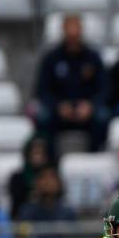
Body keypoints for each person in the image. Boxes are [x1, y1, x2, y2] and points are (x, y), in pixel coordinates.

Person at [33, 14, 108, 154]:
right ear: (63, 29)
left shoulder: (93, 57)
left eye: (76, 28)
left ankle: (95, 156)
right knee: (43, 117)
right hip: (60, 110)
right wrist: (57, 106)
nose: (73, 32)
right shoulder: (51, 58)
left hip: (86, 110)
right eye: (69, 28)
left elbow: (104, 88)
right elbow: (41, 89)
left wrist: (90, 105)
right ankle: (50, 161)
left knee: (102, 116)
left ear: (81, 29)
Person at [8, 134, 56, 220]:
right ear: (28, 155)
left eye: (41, 153)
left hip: (48, 215)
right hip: (23, 217)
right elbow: (16, 202)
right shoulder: (17, 178)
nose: (38, 157)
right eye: (35, 153)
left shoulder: (52, 176)